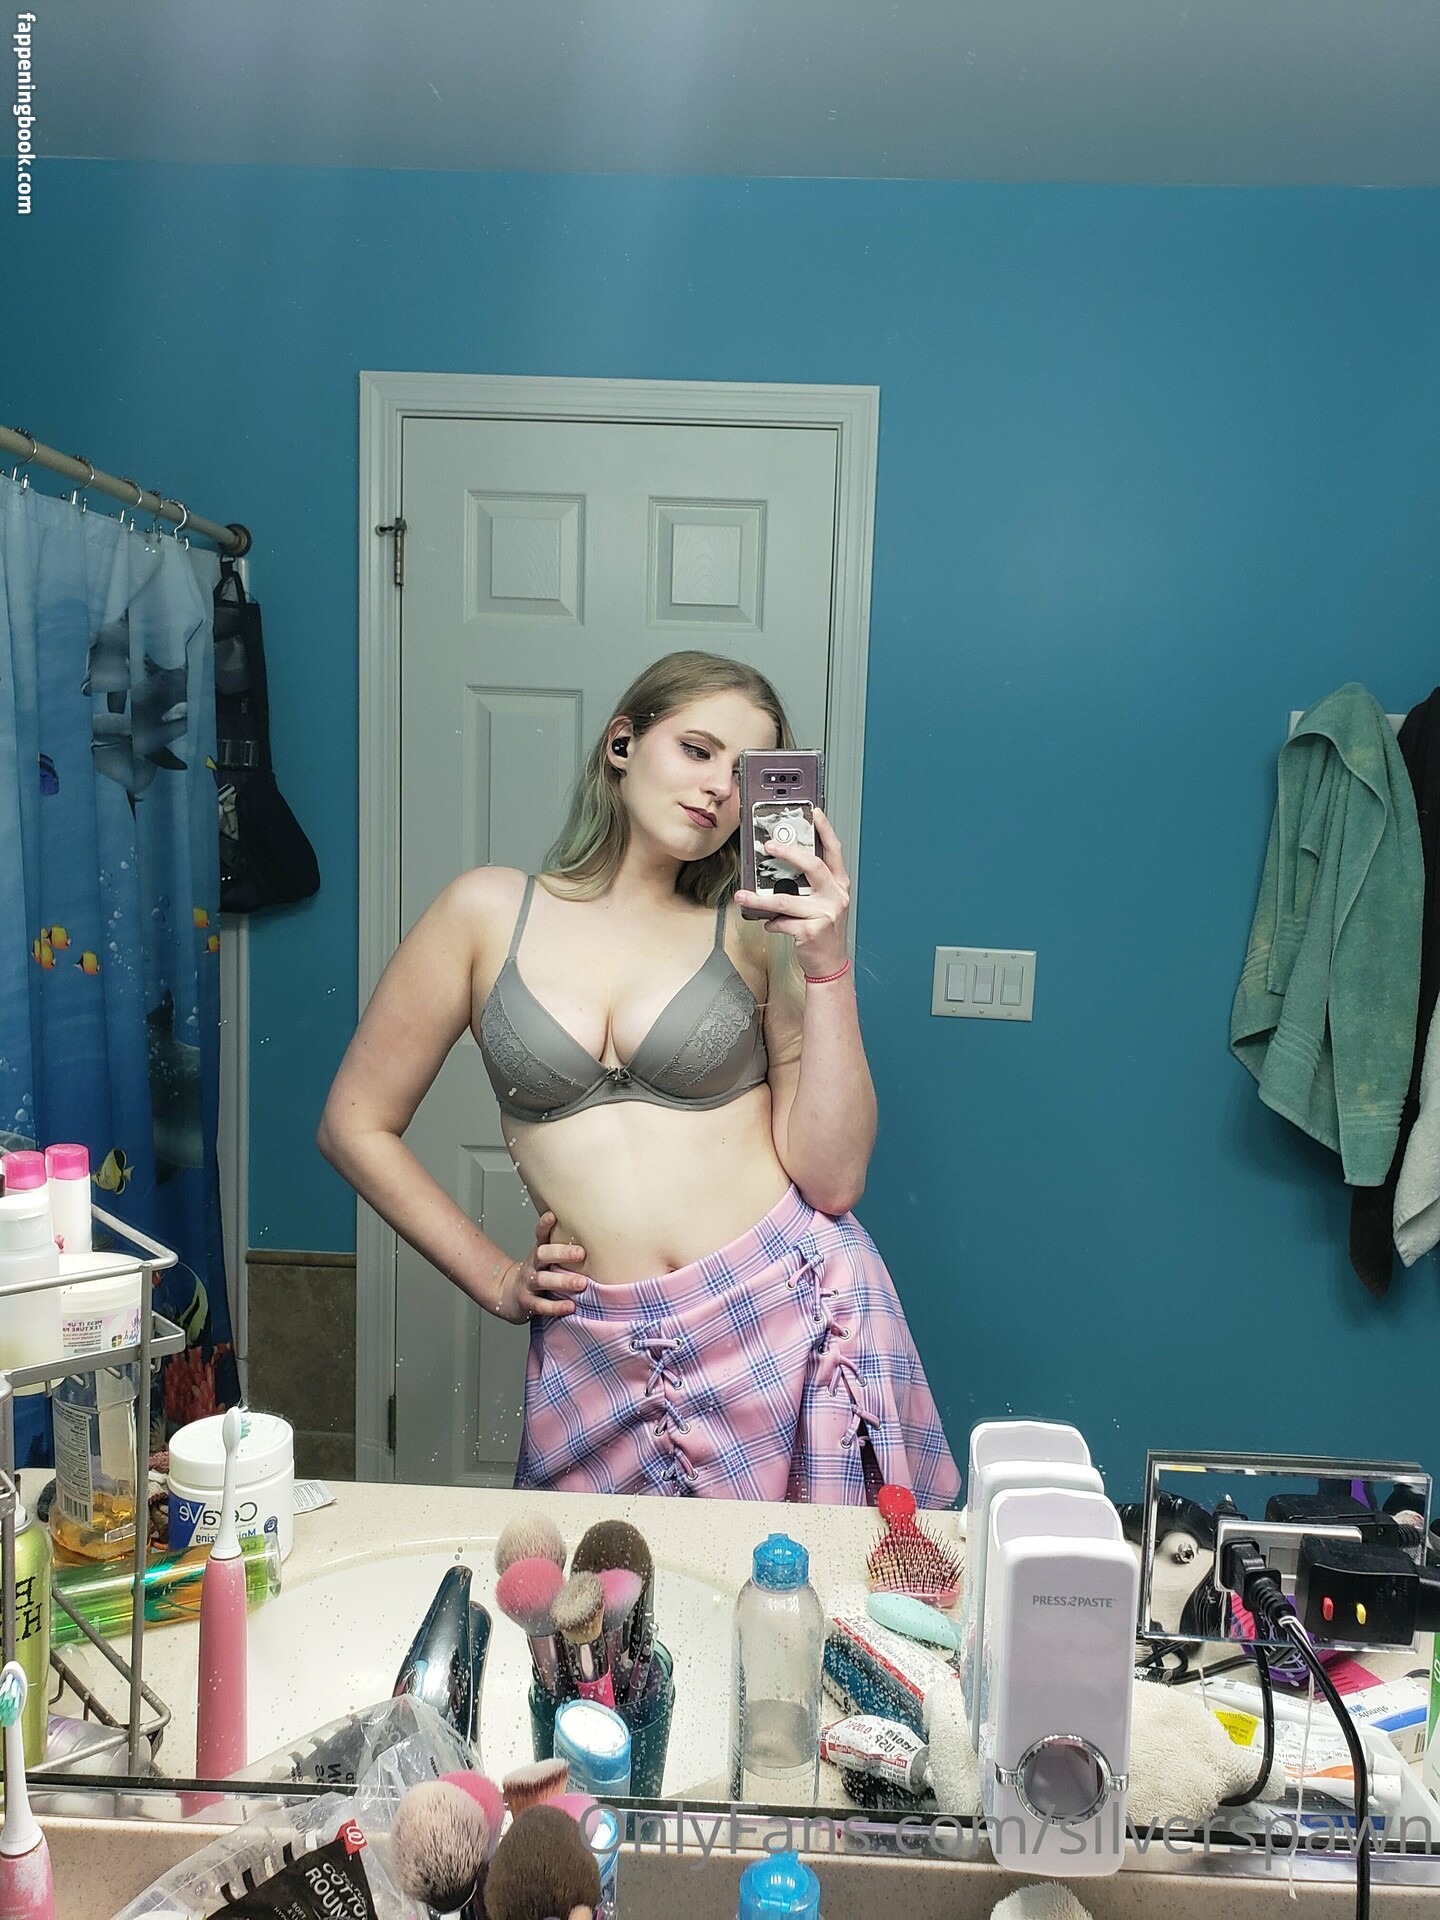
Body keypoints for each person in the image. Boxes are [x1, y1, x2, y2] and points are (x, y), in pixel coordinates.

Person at [319, 650, 958, 1505]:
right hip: (601, 1349)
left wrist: (827, 964)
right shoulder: (485, 912)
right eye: (696, 749)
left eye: (745, 775)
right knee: (596, 1593)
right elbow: (354, 1123)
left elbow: (834, 1180)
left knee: (805, 1588)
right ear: (622, 743)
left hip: (790, 1312)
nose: (718, 788)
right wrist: (496, 1277)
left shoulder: (755, 934)